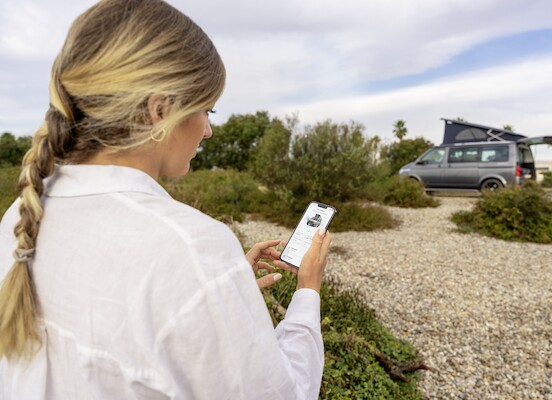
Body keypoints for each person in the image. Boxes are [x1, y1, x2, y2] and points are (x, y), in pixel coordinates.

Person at [0, 0, 332, 398]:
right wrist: (307, 291)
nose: (207, 131)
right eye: (207, 109)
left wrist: (218, 297)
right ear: (160, 110)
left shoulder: (20, 216)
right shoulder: (190, 248)